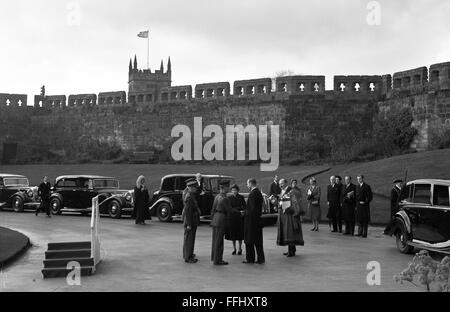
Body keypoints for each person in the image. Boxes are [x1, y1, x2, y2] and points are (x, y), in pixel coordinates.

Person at [277, 179, 304, 257]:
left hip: (290, 215)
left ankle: (291, 251)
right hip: (284, 215)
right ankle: (291, 249)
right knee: (287, 232)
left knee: (290, 232)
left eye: (281, 183)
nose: (280, 185)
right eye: (279, 184)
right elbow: (282, 202)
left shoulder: (291, 191)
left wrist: (291, 208)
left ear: (286, 183)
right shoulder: (282, 191)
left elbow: (295, 202)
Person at [243, 178, 265, 264]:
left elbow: (251, 210)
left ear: (251, 184)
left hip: (251, 221)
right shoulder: (259, 193)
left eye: (247, 184)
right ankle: (261, 258)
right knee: (258, 241)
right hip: (258, 220)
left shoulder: (252, 194)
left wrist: (244, 214)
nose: (247, 185)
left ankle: (250, 259)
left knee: (249, 240)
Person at [210, 180, 232, 265]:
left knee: (215, 240)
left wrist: (212, 220)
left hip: (215, 219)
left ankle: (214, 257)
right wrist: (240, 213)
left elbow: (212, 209)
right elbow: (229, 210)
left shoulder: (217, 196)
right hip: (221, 220)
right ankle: (218, 260)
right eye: (228, 187)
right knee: (219, 241)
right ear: (224, 188)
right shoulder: (225, 198)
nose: (229, 188)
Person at [183, 178, 201, 263]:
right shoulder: (189, 197)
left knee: (189, 239)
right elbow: (188, 211)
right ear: (190, 188)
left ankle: (188, 254)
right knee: (189, 239)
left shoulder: (191, 195)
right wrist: (189, 224)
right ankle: (188, 257)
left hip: (192, 220)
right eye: (194, 187)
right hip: (190, 221)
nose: (195, 188)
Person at [226, 184, 246, 255]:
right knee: (233, 234)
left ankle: (240, 248)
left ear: (238, 190)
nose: (234, 191)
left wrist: (239, 209)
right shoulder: (229, 198)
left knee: (240, 234)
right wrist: (238, 210)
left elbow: (244, 206)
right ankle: (234, 248)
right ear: (231, 191)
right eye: (233, 190)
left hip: (240, 218)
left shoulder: (241, 197)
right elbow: (230, 208)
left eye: (235, 190)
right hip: (233, 218)